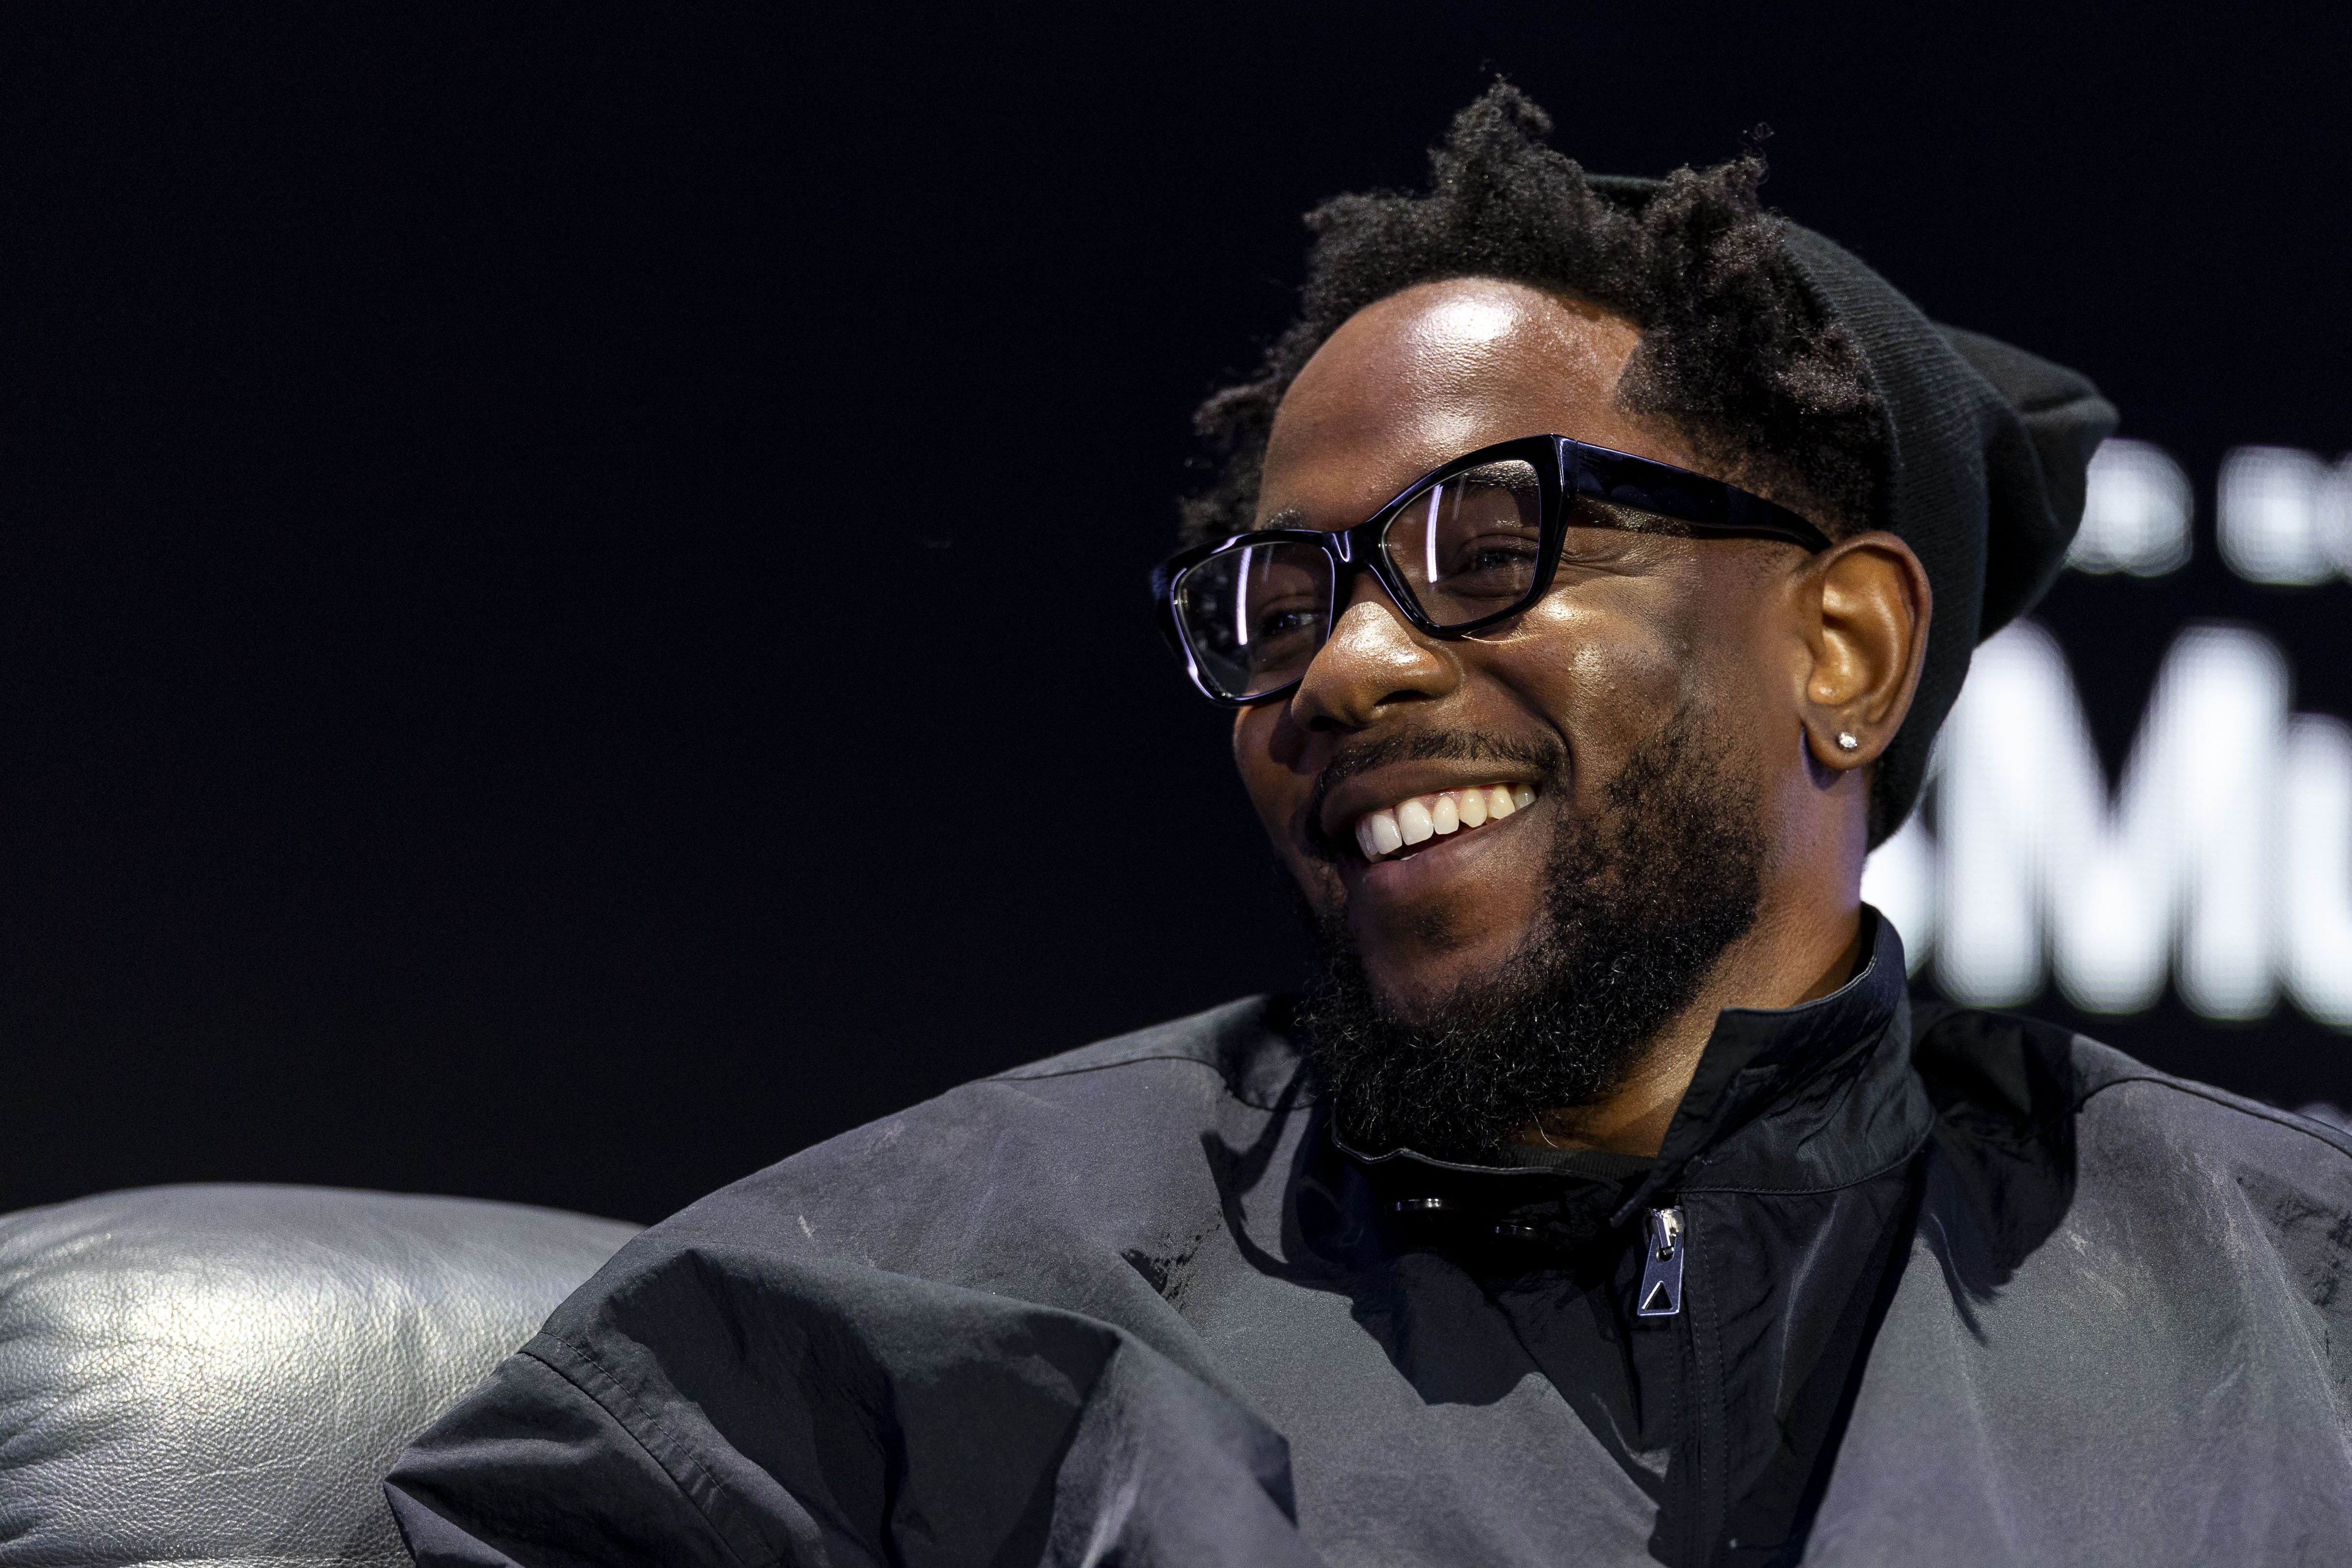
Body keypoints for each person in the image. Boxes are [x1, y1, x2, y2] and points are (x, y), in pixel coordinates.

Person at [385, 86, 2352, 1566]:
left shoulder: (2291, 1313)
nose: (1336, 673)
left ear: (1839, 647)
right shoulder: (894, 1321)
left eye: (1485, 546)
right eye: (1276, 602)